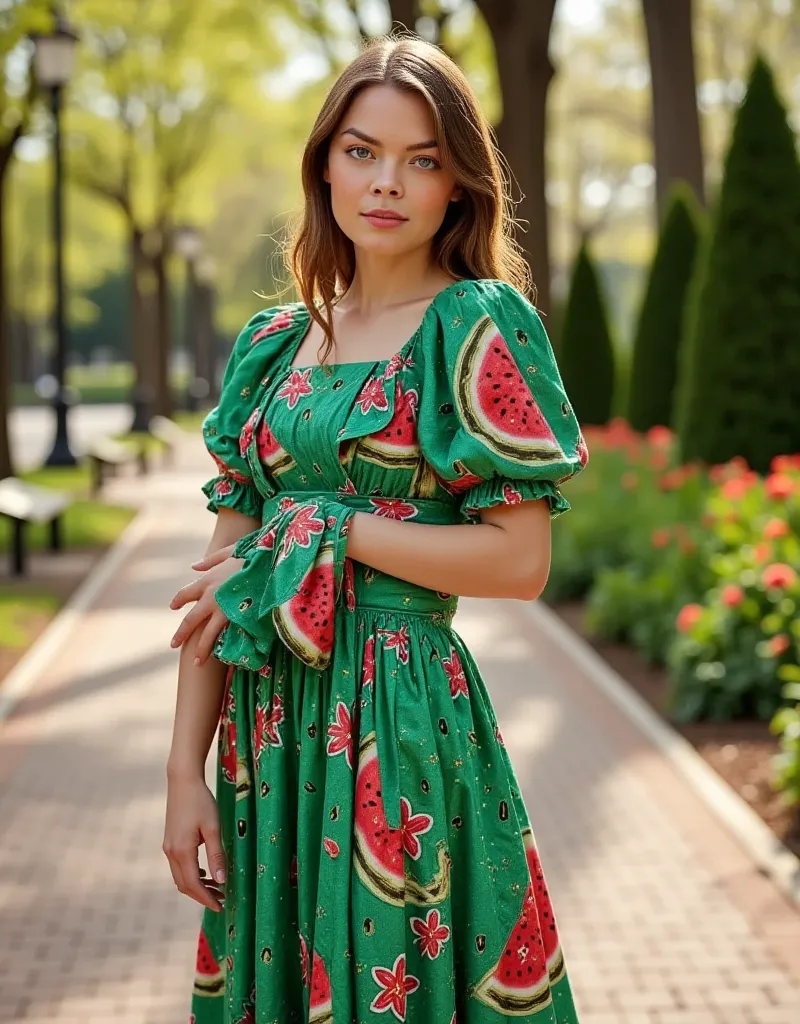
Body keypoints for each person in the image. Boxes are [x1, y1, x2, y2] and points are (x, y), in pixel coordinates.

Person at [164, 32, 588, 1024]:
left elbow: (519, 561)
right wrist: (183, 770)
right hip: (267, 737)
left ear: (457, 185)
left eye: (421, 158)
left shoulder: (474, 322)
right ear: (323, 167)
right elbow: (218, 583)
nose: (385, 182)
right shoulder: (271, 346)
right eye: (360, 151)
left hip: (398, 725)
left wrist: (324, 527)